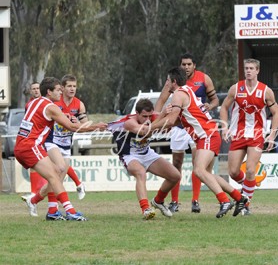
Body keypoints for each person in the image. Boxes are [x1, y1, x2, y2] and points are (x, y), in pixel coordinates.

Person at [151, 67, 248, 218]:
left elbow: (171, 120)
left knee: (199, 170)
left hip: (207, 135)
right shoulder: (187, 90)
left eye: (167, 81)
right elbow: (177, 119)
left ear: (174, 82)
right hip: (208, 134)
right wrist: (160, 124)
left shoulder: (178, 94)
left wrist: (151, 127)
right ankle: (239, 198)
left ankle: (224, 201)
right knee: (207, 173)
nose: (166, 84)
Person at [16, 77, 107, 221]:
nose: (61, 92)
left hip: (23, 145)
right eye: (58, 90)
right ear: (49, 92)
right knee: (54, 175)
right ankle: (70, 211)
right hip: (30, 145)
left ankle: (39, 204)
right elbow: (72, 127)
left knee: (57, 173)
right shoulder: (51, 107)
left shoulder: (35, 102)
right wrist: (96, 126)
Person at [154, 53, 219, 213]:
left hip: (197, 127)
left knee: (198, 163)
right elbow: (161, 101)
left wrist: (210, 106)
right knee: (176, 163)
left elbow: (215, 100)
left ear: (194, 65)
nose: (186, 67)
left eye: (189, 64)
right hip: (178, 126)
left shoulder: (204, 79)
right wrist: (156, 118)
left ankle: (195, 200)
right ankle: (174, 201)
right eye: (183, 64)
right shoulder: (174, 82)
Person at [220, 58, 278, 215]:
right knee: (233, 172)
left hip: (256, 134)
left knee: (251, 170)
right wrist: (224, 127)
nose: (248, 71)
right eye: (246, 68)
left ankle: (245, 204)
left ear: (257, 70)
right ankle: (248, 186)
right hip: (238, 134)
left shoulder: (265, 91)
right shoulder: (236, 88)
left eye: (251, 68)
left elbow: (276, 113)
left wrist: (272, 135)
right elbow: (224, 107)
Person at [109, 99, 181, 220]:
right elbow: (144, 131)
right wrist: (163, 115)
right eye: (144, 116)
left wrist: (176, 112)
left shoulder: (154, 117)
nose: (147, 119)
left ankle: (158, 201)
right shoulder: (129, 122)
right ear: (136, 113)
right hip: (129, 155)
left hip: (147, 153)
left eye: (149, 115)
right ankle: (146, 209)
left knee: (175, 176)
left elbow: (174, 122)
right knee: (141, 173)